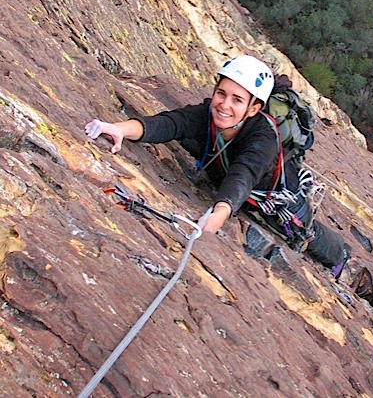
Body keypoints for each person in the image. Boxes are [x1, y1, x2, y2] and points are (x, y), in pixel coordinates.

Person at [85, 55, 349, 276]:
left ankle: (340, 257)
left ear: (254, 108)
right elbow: (170, 123)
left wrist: (220, 213)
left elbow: (244, 174)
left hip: (274, 194)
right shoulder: (207, 114)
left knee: (304, 232)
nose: (224, 105)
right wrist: (119, 128)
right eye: (221, 94)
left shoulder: (264, 136)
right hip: (230, 182)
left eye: (237, 100)